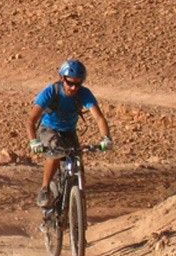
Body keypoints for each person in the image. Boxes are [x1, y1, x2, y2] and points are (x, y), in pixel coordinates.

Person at [27, 59, 112, 207]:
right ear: (62, 78)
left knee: (77, 163)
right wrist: (34, 141)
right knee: (55, 150)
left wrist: (106, 138)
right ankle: (45, 188)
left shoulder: (84, 94)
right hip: (49, 129)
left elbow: (99, 117)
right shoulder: (51, 91)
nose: (73, 87)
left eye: (78, 84)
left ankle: (77, 210)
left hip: (69, 131)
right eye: (70, 83)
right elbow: (31, 120)